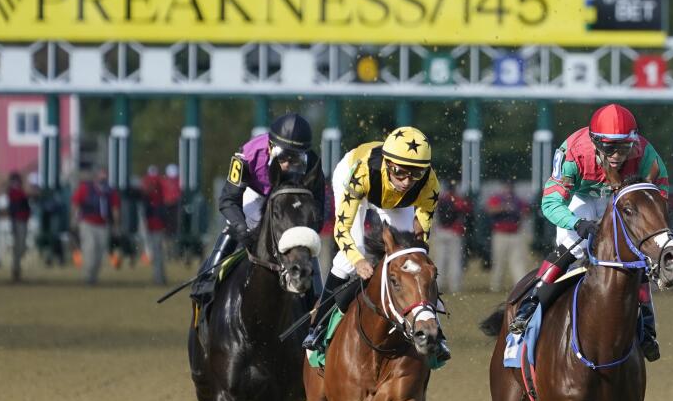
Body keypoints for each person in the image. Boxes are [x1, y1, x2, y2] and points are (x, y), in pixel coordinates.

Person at [508, 103, 670, 362]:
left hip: (620, 199)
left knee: (637, 257)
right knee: (573, 248)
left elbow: (658, 198)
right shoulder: (573, 152)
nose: (617, 155)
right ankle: (532, 305)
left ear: (634, 142)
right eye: (609, 147)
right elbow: (550, 203)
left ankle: (647, 326)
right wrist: (576, 223)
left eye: (624, 147)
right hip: (580, 198)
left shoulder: (647, 154)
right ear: (594, 142)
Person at [302, 126, 449, 360]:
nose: (406, 181)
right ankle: (317, 328)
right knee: (353, 253)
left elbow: (420, 238)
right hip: (355, 176)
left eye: (415, 174)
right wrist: (358, 261)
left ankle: (435, 333)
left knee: (409, 260)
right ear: (389, 165)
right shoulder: (361, 174)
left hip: (391, 199)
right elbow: (342, 230)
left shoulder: (429, 184)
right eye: (400, 172)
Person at [189, 113, 325, 303]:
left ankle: (317, 294)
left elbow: (319, 206)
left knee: (303, 238)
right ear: (270, 147)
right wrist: (241, 228)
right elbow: (228, 200)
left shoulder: (312, 162)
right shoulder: (247, 155)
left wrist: (307, 231)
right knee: (236, 223)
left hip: (288, 200)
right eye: (283, 156)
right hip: (256, 194)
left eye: (295, 159)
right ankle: (208, 279)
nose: (287, 165)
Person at [71, 168, 121, 285]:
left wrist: (116, 225)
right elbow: (76, 204)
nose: (103, 178)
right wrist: (73, 220)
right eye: (101, 175)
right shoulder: (85, 188)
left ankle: (93, 276)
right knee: (90, 248)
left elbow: (115, 209)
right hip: (88, 223)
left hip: (103, 225)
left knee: (100, 251)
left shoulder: (110, 192)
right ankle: (88, 275)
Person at [486, 181, 530, 293]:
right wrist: (503, 207)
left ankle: (521, 286)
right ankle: (496, 286)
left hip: (515, 234)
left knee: (518, 262)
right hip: (500, 234)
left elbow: (526, 211)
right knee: (498, 262)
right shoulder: (498, 198)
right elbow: (490, 209)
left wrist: (517, 210)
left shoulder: (517, 200)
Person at [431, 180, 471, 294]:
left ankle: (438, 285)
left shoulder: (440, 199)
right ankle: (454, 286)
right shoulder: (458, 200)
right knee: (455, 261)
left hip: (441, 232)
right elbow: (467, 210)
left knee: (440, 260)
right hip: (454, 232)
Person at [141, 165, 169, 286]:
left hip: (154, 227)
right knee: (158, 253)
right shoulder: (159, 190)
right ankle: (159, 277)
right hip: (154, 226)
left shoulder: (153, 193)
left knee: (157, 253)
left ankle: (159, 278)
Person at [6, 172, 32, 283]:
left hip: (22, 221)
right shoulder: (14, 193)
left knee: (20, 247)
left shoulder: (17, 192)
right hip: (18, 222)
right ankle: (15, 271)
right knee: (19, 247)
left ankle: (16, 270)